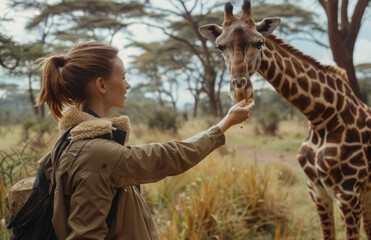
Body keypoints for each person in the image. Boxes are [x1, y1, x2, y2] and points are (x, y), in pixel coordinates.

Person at [35, 41, 255, 240]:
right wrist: (224, 124)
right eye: (122, 77)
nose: (127, 84)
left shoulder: (71, 140)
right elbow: (169, 156)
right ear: (101, 85)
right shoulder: (97, 153)